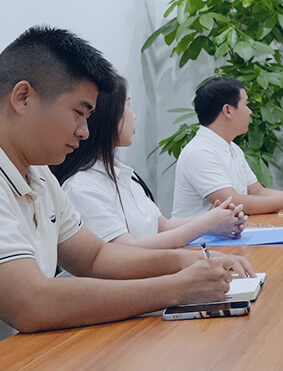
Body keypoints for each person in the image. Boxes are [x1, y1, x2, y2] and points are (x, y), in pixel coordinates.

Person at [0, 27, 253, 340]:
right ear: (23, 98)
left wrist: (194, 259)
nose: (84, 131)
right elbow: (31, 303)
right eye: (78, 113)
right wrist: (176, 287)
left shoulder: (39, 175)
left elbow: (96, 257)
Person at [52, 74, 247, 248]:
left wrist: (215, 222)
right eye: (128, 105)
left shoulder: (123, 173)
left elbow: (162, 226)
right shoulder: (82, 187)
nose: (134, 115)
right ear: (107, 115)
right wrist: (206, 223)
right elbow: (126, 251)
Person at [172, 76, 283, 217]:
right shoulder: (199, 152)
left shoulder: (233, 148)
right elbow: (233, 202)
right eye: (246, 104)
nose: (250, 111)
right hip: (201, 234)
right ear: (228, 110)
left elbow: (258, 192)